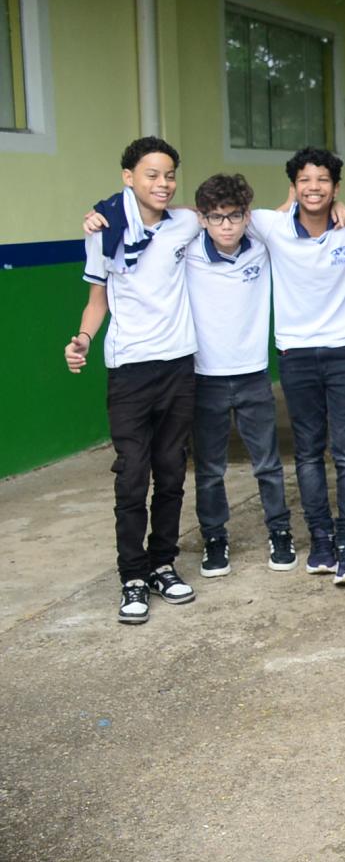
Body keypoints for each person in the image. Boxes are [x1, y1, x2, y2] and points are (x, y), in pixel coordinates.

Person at [66, 137, 201, 624]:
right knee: (132, 475)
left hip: (179, 364)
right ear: (128, 177)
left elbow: (231, 213)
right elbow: (97, 300)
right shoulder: (102, 230)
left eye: (169, 175)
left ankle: (163, 563)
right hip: (129, 368)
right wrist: (81, 338)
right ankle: (133, 577)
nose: (162, 183)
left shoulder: (184, 222)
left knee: (170, 471)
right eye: (151, 174)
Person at [249, 147, 345, 579]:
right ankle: (321, 540)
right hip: (296, 355)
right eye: (305, 180)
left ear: (336, 187)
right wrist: (105, 213)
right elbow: (208, 211)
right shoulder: (271, 225)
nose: (314, 187)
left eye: (323, 180)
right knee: (307, 454)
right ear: (293, 186)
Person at [183, 173, 289, 580]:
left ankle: (279, 532)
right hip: (204, 377)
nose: (226, 225)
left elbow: (287, 212)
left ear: (247, 216)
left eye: (234, 215)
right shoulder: (187, 249)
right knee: (210, 469)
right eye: (216, 217)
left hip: (253, 376)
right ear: (202, 219)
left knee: (267, 464)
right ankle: (214, 538)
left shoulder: (262, 247)